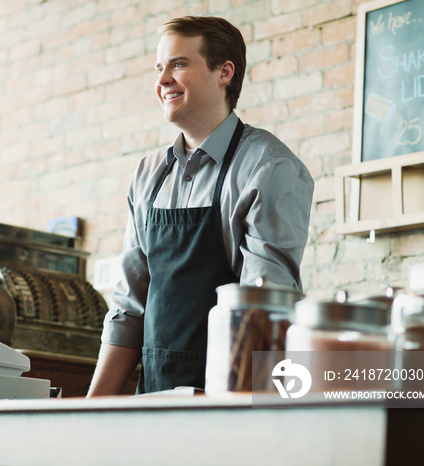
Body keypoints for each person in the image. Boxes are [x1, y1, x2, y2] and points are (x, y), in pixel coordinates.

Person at [87, 16, 314, 396]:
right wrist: (90, 412)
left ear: (225, 72)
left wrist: (226, 413)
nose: (161, 81)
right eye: (159, 67)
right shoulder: (147, 175)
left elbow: (262, 312)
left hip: (227, 403)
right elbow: (129, 309)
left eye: (178, 64)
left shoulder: (268, 167)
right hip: (153, 401)